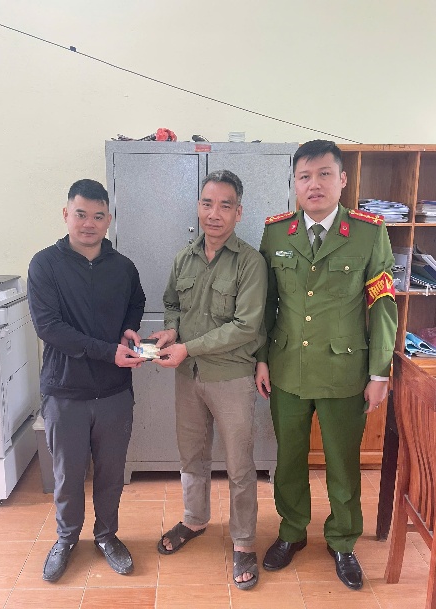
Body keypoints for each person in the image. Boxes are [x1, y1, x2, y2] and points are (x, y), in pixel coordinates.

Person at [255, 140, 398, 590]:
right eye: (304, 176)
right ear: (295, 184)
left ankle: (342, 539)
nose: (313, 184)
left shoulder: (369, 233)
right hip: (287, 369)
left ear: (342, 180)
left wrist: (380, 372)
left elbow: (382, 305)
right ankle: (292, 531)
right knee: (289, 459)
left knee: (342, 462)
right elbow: (266, 304)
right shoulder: (277, 233)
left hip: (344, 371)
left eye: (323, 174)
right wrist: (261, 359)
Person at [149, 169, 267, 590]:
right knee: (192, 455)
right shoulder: (184, 258)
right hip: (188, 376)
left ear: (239, 212)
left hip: (231, 377)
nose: (214, 214)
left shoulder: (250, 262)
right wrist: (170, 331)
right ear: (198, 207)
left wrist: (189, 347)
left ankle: (244, 541)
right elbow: (171, 303)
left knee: (240, 465)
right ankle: (195, 519)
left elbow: (246, 326)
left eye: (224, 205)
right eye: (207, 203)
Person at [27, 179, 146, 582]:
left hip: (114, 392)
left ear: (108, 219)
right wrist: (107, 351)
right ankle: (66, 539)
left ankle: (107, 536)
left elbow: (136, 300)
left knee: (111, 474)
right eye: (81, 215)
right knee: (68, 476)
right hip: (65, 393)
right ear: (66, 215)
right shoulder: (45, 265)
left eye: (98, 216)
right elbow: (49, 328)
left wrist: (129, 328)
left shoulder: (123, 266)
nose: (89, 224)